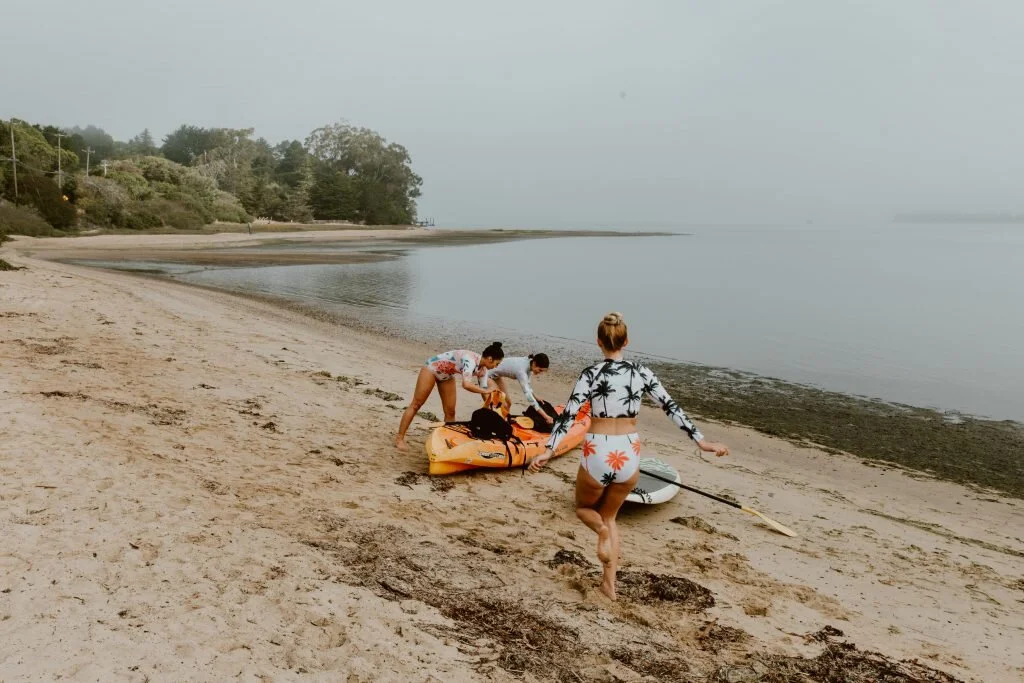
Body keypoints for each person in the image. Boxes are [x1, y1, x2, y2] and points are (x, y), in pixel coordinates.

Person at [528, 313, 729, 600]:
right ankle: (609, 585)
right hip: (628, 450)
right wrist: (702, 441)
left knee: (585, 509)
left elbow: (569, 414)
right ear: (627, 341)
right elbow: (671, 407)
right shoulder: (641, 373)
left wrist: (548, 450)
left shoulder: (591, 373)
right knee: (611, 515)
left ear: (599, 342)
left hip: (598, 448)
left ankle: (600, 531)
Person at [394, 342, 505, 451]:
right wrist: (487, 390)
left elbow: (485, 393)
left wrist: (494, 409)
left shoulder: (483, 370)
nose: (496, 366)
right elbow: (466, 385)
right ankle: (400, 438)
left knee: (450, 412)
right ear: (490, 359)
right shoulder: (470, 360)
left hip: (446, 376)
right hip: (432, 369)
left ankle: (448, 440)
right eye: (497, 363)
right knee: (416, 404)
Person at [485, 353, 554, 424]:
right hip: (486, 375)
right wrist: (546, 416)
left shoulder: (529, 363)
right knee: (497, 404)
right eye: (540, 370)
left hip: (496, 376)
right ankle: (490, 422)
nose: (540, 373)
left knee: (508, 403)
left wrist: (536, 397)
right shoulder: (521, 372)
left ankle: (503, 421)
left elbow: (528, 385)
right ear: (534, 363)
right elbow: (530, 398)